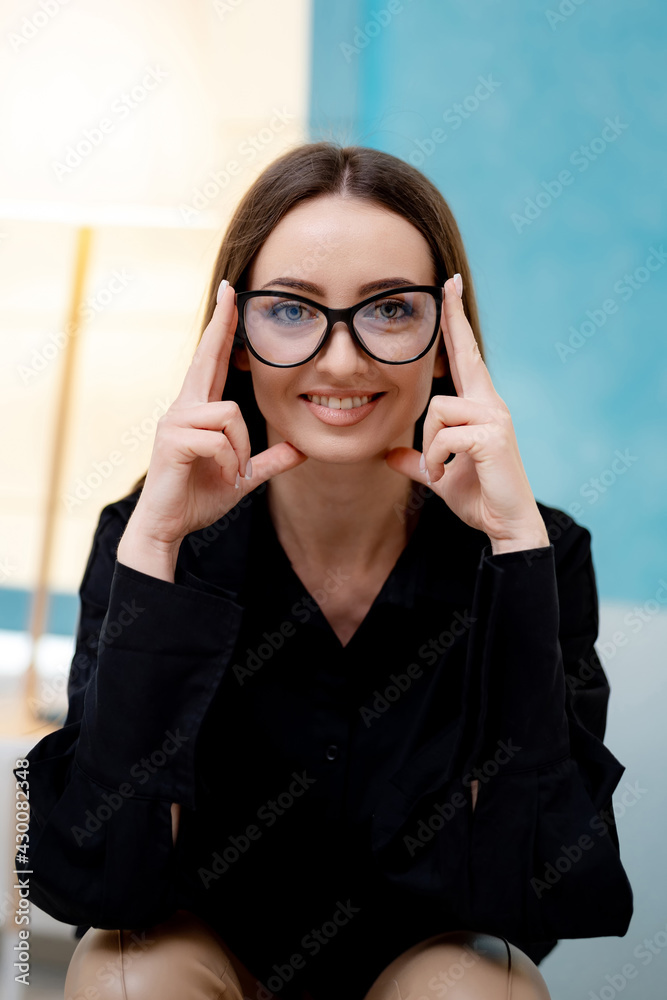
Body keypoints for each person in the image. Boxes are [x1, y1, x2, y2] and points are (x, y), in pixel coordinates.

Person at [17, 142, 633, 1000]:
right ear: (231, 337)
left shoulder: (540, 553)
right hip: (208, 958)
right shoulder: (141, 537)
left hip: (418, 966)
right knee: (124, 973)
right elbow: (94, 883)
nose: (341, 360)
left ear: (445, 340)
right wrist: (155, 555)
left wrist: (515, 553)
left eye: (388, 310)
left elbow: (537, 897)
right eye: (292, 311)